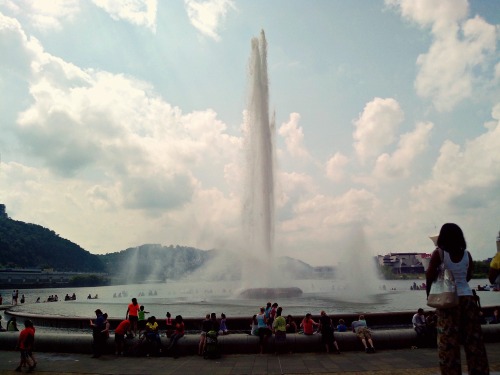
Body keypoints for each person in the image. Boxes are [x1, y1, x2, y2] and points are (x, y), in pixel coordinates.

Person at [426, 223, 489, 374]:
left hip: (449, 302)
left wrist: (429, 295)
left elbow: (429, 276)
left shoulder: (439, 253)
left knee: (448, 343)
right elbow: (467, 277)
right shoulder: (467, 254)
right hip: (468, 300)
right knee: (474, 342)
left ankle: (451, 371)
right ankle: (478, 370)